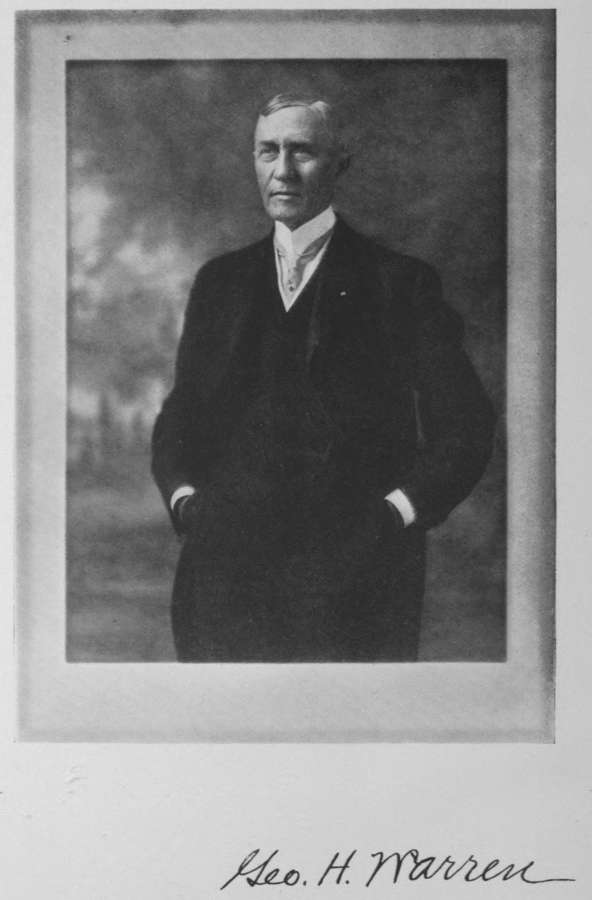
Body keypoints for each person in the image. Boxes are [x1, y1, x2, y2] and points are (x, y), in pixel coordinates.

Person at [151, 92, 495, 662]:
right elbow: (181, 415)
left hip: (358, 587)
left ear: (340, 165)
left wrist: (394, 514)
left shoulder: (399, 282)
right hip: (224, 583)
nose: (282, 170)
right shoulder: (220, 282)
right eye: (268, 151)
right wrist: (187, 501)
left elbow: (465, 427)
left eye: (302, 151)